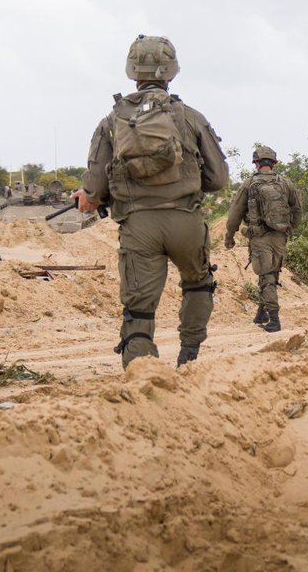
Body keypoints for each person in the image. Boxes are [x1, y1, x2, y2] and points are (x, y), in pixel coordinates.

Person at [76, 35, 229, 368]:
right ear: (171, 72)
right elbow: (218, 179)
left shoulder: (111, 122)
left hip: (138, 226)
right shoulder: (190, 117)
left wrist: (88, 197)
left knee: (139, 306)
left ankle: (142, 378)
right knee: (198, 283)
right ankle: (189, 357)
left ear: (132, 72)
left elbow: (94, 189)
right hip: (186, 221)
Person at [225, 145, 303, 332]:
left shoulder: (249, 184)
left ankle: (274, 319)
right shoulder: (285, 183)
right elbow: (297, 210)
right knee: (272, 273)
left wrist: (230, 236)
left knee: (265, 275)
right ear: (274, 163)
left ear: (256, 164)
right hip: (280, 237)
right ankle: (262, 312)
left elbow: (234, 215)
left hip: (259, 236)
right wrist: (289, 228)